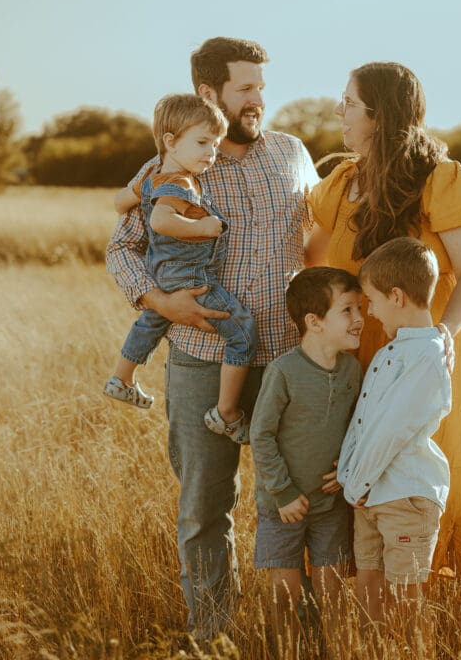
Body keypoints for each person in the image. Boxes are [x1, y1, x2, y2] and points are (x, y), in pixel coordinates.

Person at [106, 37, 319, 641]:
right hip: (201, 361)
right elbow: (122, 248)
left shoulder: (292, 152)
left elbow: (318, 239)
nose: (258, 100)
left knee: (293, 503)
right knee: (204, 509)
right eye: (245, 88)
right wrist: (159, 301)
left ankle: (297, 635)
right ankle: (212, 635)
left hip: (289, 362)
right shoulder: (171, 168)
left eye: (261, 87)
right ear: (209, 93)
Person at [307, 61, 461, 658]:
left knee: (455, 480)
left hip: (432, 357)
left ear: (379, 115)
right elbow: (311, 263)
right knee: (365, 481)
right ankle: (381, 637)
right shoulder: (340, 185)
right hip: (357, 359)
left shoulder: (444, 181)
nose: (338, 112)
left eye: (348, 103)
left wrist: (442, 335)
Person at [103, 93, 257, 443]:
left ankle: (122, 377)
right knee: (243, 330)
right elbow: (160, 220)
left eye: (215, 145)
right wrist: (201, 228)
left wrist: (135, 193)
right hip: (189, 276)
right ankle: (227, 412)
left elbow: (119, 201)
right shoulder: (182, 182)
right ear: (170, 142)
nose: (211, 153)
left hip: (162, 275)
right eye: (202, 142)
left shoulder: (151, 174)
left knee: (152, 320)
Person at [338, 237, 452, 647]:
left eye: (371, 300)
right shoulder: (392, 351)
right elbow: (364, 419)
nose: (368, 311)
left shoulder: (427, 358)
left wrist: (356, 483)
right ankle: (373, 651)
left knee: (405, 595)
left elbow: (392, 430)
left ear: (397, 296)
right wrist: (350, 473)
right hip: (369, 495)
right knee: (367, 581)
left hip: (405, 495)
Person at [250, 267, 363, 658]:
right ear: (314, 322)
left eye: (359, 309)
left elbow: (355, 427)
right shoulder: (284, 371)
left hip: (330, 505)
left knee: (334, 597)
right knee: (285, 599)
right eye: (347, 310)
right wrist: (283, 492)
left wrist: (346, 470)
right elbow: (260, 435)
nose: (359, 318)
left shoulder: (352, 369)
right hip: (282, 508)